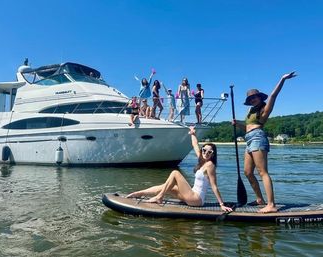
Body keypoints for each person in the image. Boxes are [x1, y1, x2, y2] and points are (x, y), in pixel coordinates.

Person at [127, 126, 233, 211]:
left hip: (196, 199)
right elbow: (195, 144)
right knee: (167, 186)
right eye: (204, 150)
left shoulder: (210, 165)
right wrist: (192, 133)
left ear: (213, 154)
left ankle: (159, 197)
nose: (206, 153)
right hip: (191, 194)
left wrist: (221, 204)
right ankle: (138, 193)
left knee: (175, 173)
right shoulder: (202, 160)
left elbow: (214, 186)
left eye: (209, 152)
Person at [233, 71, 296, 213]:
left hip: (257, 138)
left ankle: (271, 204)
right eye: (250, 98)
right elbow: (247, 127)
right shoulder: (250, 111)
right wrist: (238, 124)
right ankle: (259, 199)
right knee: (248, 172)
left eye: (254, 97)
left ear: (259, 98)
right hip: (248, 139)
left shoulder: (264, 109)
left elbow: (273, 95)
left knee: (262, 172)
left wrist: (282, 79)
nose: (252, 99)